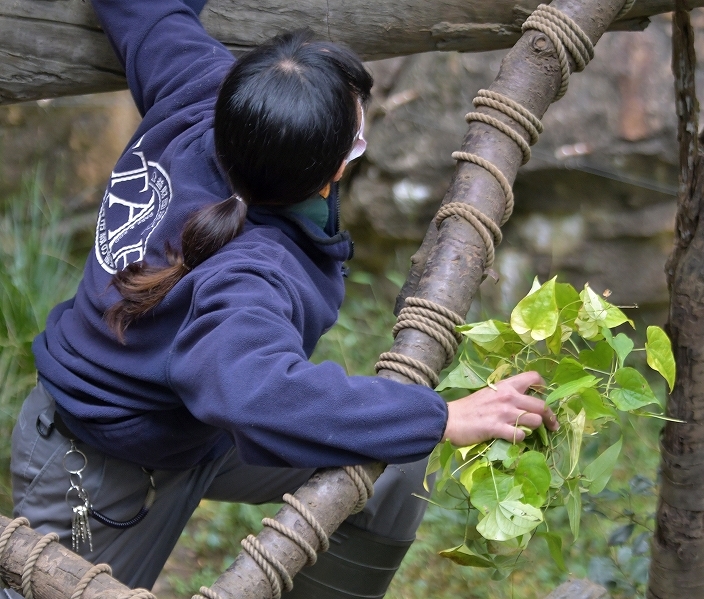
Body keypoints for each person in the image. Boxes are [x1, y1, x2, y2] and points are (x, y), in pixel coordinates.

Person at [10, 0, 558, 596]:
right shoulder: (251, 274)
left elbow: (146, 11)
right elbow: (254, 390)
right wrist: (445, 416)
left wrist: (418, 424)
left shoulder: (201, 94)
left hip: (196, 428)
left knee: (394, 461)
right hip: (97, 461)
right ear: (331, 172)